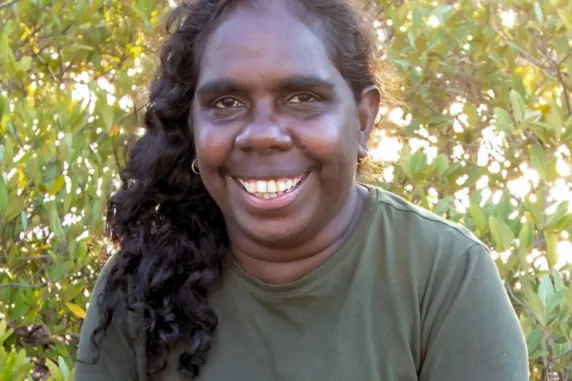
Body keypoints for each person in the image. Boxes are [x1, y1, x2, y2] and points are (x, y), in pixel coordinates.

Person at [74, 0, 529, 380]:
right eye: (226, 103)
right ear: (190, 124)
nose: (262, 134)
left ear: (364, 119)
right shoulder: (141, 284)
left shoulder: (444, 277)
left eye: (302, 98)